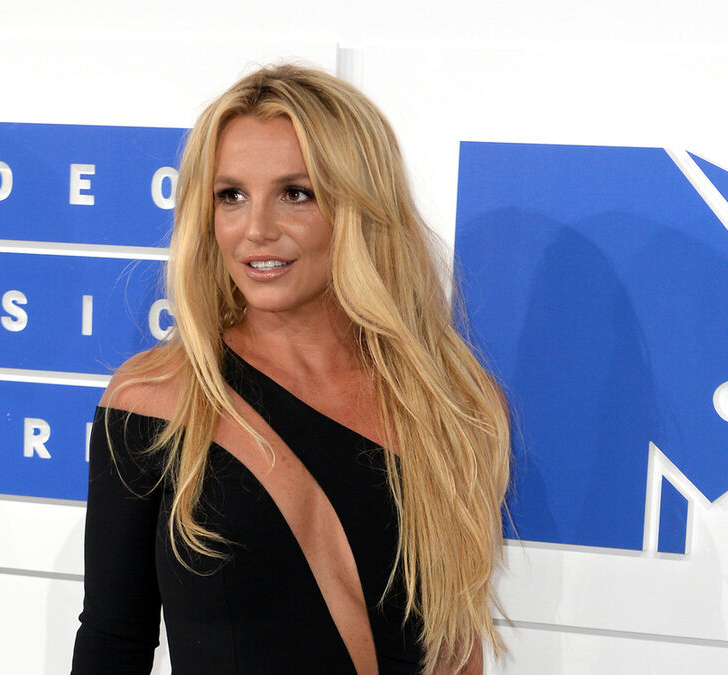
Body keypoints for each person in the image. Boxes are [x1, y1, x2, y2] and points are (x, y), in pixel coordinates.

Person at [71, 64, 510, 674]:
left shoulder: (451, 404)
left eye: (295, 194)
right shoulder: (155, 399)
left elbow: (455, 651)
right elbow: (114, 640)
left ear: (359, 205)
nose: (256, 229)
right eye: (231, 196)